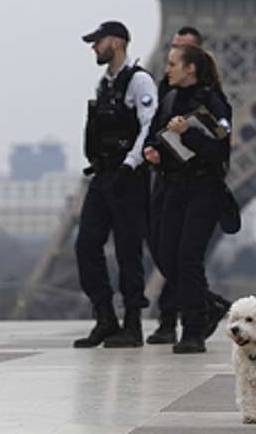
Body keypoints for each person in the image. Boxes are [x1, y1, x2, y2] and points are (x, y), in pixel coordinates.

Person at [143, 43, 232, 353]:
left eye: (172, 64)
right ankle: (210, 305)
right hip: (173, 187)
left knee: (188, 259)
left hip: (203, 189)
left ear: (190, 68)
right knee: (167, 256)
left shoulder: (214, 102)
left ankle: (193, 330)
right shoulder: (168, 100)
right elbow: (160, 140)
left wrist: (188, 133)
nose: (167, 70)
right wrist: (155, 154)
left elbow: (220, 151)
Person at [74, 21, 158, 348]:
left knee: (128, 250)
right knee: (86, 243)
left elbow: (148, 127)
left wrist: (130, 165)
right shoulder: (104, 83)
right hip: (103, 174)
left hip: (127, 176)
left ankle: (133, 324)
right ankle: (105, 316)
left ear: (117, 43)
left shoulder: (139, 81)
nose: (94, 47)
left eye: (98, 41)